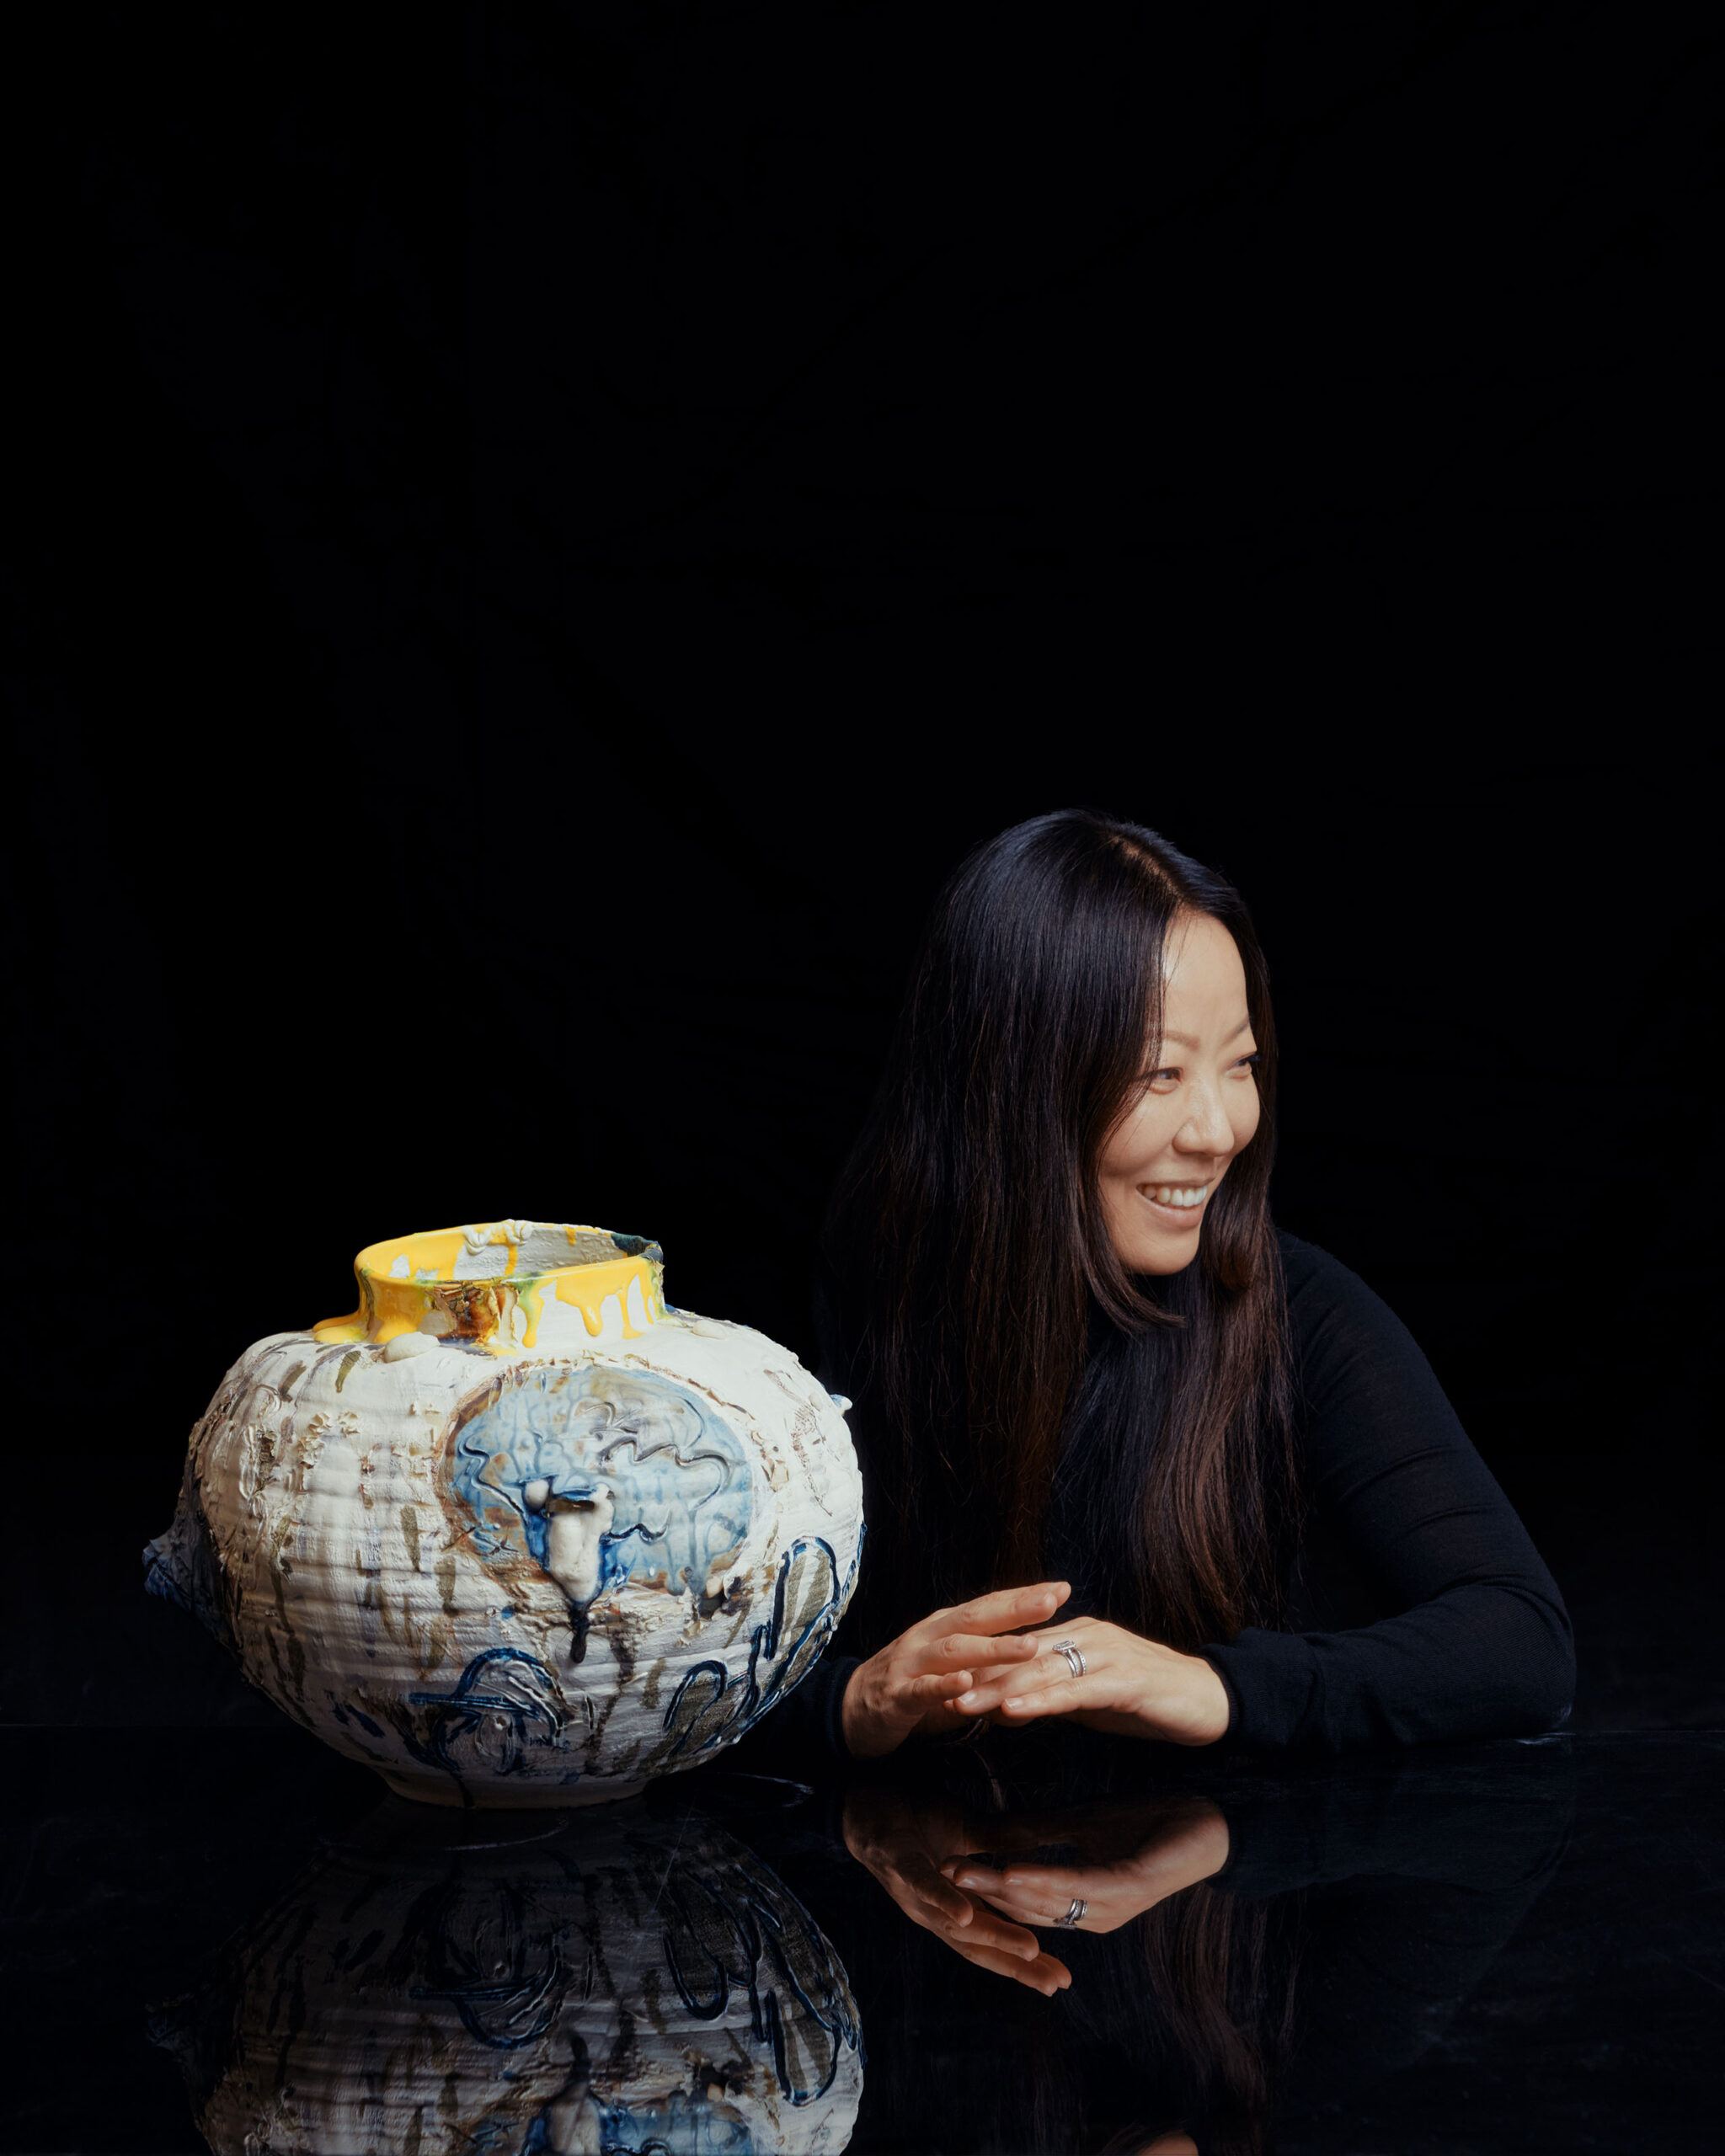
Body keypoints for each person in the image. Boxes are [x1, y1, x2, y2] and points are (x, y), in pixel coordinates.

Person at [794, 809, 1573, 1760]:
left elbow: (1520, 1643)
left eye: (1240, 1064)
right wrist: (854, 1704)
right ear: (1015, 1086)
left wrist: (1215, 1687)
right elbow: (662, 1686)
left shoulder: (1302, 1314)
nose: (1218, 1130)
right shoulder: (851, 1306)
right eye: (1160, 1073)